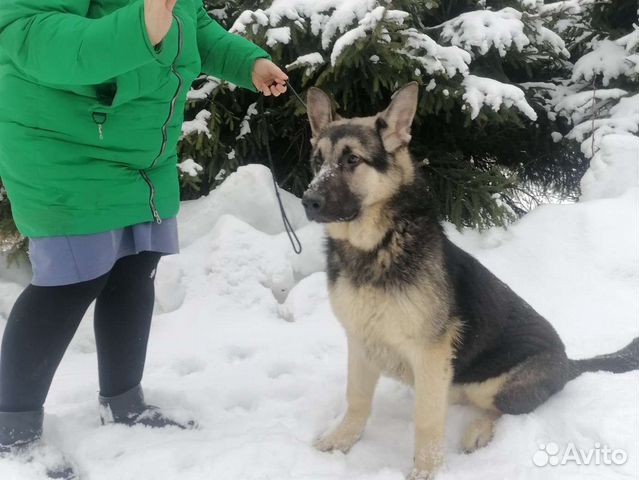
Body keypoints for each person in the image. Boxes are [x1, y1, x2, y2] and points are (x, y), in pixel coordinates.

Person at [0, 0, 288, 477]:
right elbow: (41, 42)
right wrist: (142, 24)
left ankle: (123, 403)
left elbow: (195, 29)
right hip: (63, 148)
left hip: (139, 154)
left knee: (135, 269)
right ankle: (12, 431)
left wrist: (249, 63)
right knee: (66, 286)